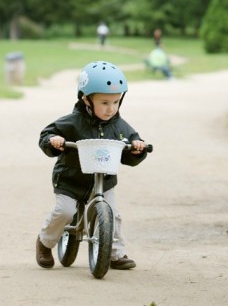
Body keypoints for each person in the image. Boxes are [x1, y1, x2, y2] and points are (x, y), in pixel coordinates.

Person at [36, 61, 150, 270]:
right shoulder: (72, 122)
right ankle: (45, 242)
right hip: (71, 179)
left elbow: (132, 143)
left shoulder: (119, 125)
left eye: (116, 102)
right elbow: (47, 134)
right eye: (104, 102)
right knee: (65, 211)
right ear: (86, 99)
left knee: (113, 213)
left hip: (103, 181)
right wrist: (54, 141)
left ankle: (114, 254)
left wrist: (137, 148)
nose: (111, 109)